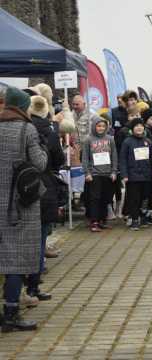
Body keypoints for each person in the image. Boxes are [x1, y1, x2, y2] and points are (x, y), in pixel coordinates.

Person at [0, 87, 48, 332]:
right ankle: (10, 313)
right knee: (15, 260)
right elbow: (39, 163)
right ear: (22, 106)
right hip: (19, 204)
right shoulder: (26, 129)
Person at [26, 94, 65, 301]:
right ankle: (34, 283)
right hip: (44, 185)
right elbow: (58, 158)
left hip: (23, 187)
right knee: (40, 235)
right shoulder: (48, 131)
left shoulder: (25, 127)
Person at [120, 118, 152, 231]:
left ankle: (143, 217)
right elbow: (123, 159)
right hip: (132, 177)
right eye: (136, 126)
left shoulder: (148, 141)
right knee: (133, 198)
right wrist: (124, 175)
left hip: (146, 176)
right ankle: (135, 219)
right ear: (132, 129)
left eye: (141, 125)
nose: (139, 128)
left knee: (145, 198)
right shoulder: (127, 142)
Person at [82, 116, 118, 232]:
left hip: (108, 174)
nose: (101, 128)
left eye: (103, 126)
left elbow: (114, 156)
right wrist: (87, 172)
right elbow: (85, 158)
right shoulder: (88, 140)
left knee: (106, 198)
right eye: (98, 126)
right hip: (94, 174)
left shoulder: (110, 139)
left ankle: (103, 220)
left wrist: (114, 171)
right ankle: (94, 221)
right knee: (95, 198)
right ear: (94, 126)